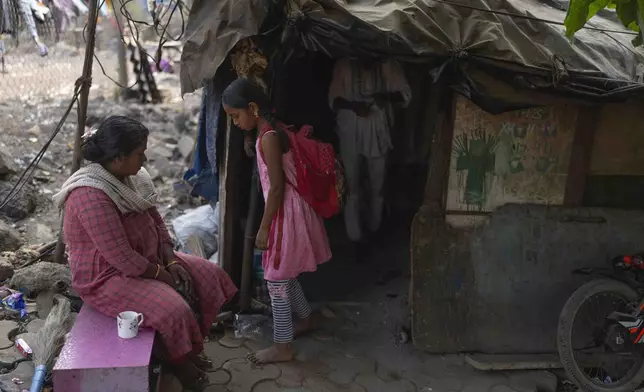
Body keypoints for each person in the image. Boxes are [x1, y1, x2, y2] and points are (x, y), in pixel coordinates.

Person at [53, 116, 237, 391]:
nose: (145, 159)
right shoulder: (88, 194)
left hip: (148, 259)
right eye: (139, 153)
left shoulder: (133, 178)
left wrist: (171, 259)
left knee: (209, 275)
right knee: (173, 307)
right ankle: (178, 360)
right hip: (106, 276)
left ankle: (187, 348)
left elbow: (157, 221)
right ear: (118, 157)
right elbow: (121, 258)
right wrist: (163, 276)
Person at [222, 78, 332, 364]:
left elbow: (278, 188)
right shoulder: (272, 130)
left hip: (285, 212)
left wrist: (264, 226)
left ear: (253, 108)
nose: (234, 122)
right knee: (284, 273)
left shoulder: (268, 137)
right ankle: (307, 319)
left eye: (235, 116)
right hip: (290, 209)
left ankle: (283, 347)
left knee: (275, 280)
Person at [328, 57, 411, 244]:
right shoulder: (344, 64)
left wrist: (386, 98)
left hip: (379, 131)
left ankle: (375, 229)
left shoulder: (388, 64)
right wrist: (353, 106)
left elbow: (405, 94)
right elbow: (333, 99)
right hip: (350, 129)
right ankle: (355, 237)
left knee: (378, 185)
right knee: (351, 186)